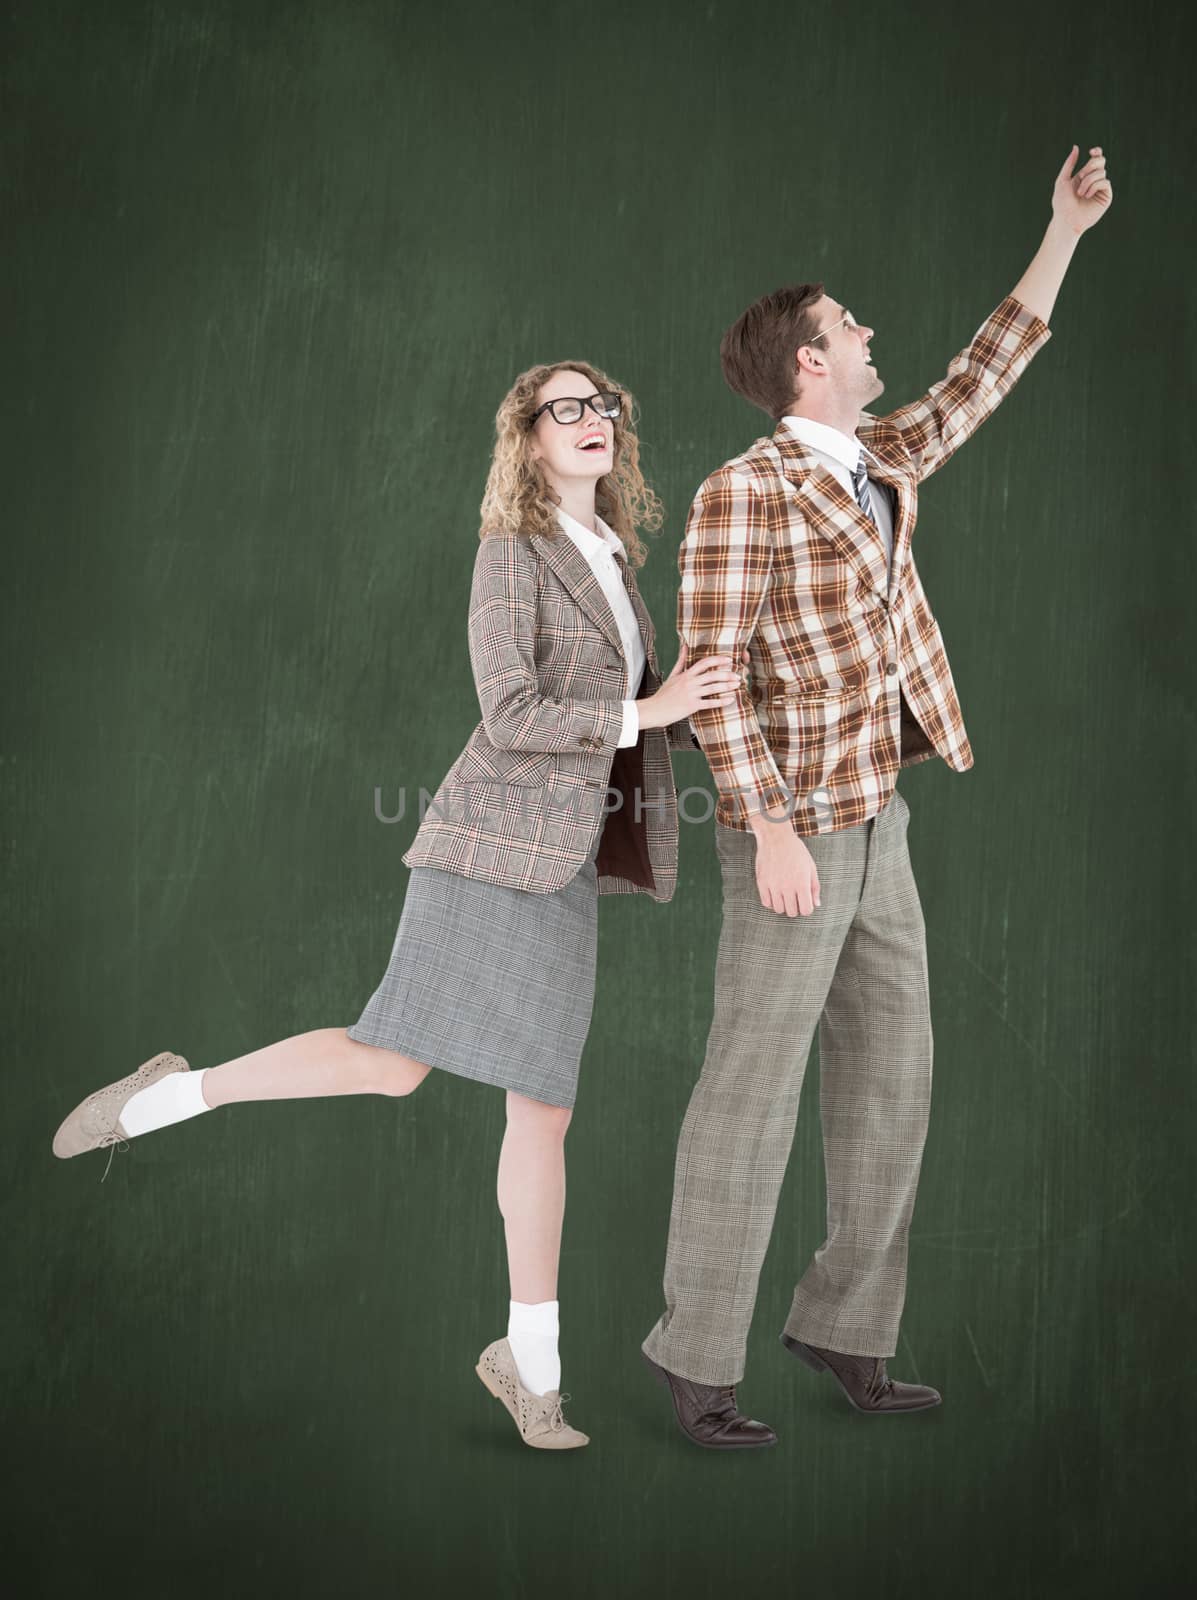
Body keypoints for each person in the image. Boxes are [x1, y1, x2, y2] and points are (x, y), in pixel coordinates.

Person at [52, 360, 744, 1453]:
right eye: (565, 407)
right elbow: (511, 707)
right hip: (484, 849)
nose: (592, 419)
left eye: (602, 404)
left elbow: (635, 717)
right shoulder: (508, 551)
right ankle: (166, 1097)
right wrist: (649, 702)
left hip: (559, 865)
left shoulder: (612, 559)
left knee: (544, 1111)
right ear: (525, 439)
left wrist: (698, 705)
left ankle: (529, 1365)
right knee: (392, 1061)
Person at [641, 146, 1114, 1448]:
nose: (869, 334)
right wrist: (774, 827)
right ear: (805, 362)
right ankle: (697, 1360)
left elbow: (986, 369)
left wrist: (1061, 230)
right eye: (849, 326)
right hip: (788, 835)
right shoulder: (744, 494)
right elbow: (710, 679)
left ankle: (846, 1327)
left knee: (892, 1074)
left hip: (881, 814)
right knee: (753, 1082)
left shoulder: (878, 457)